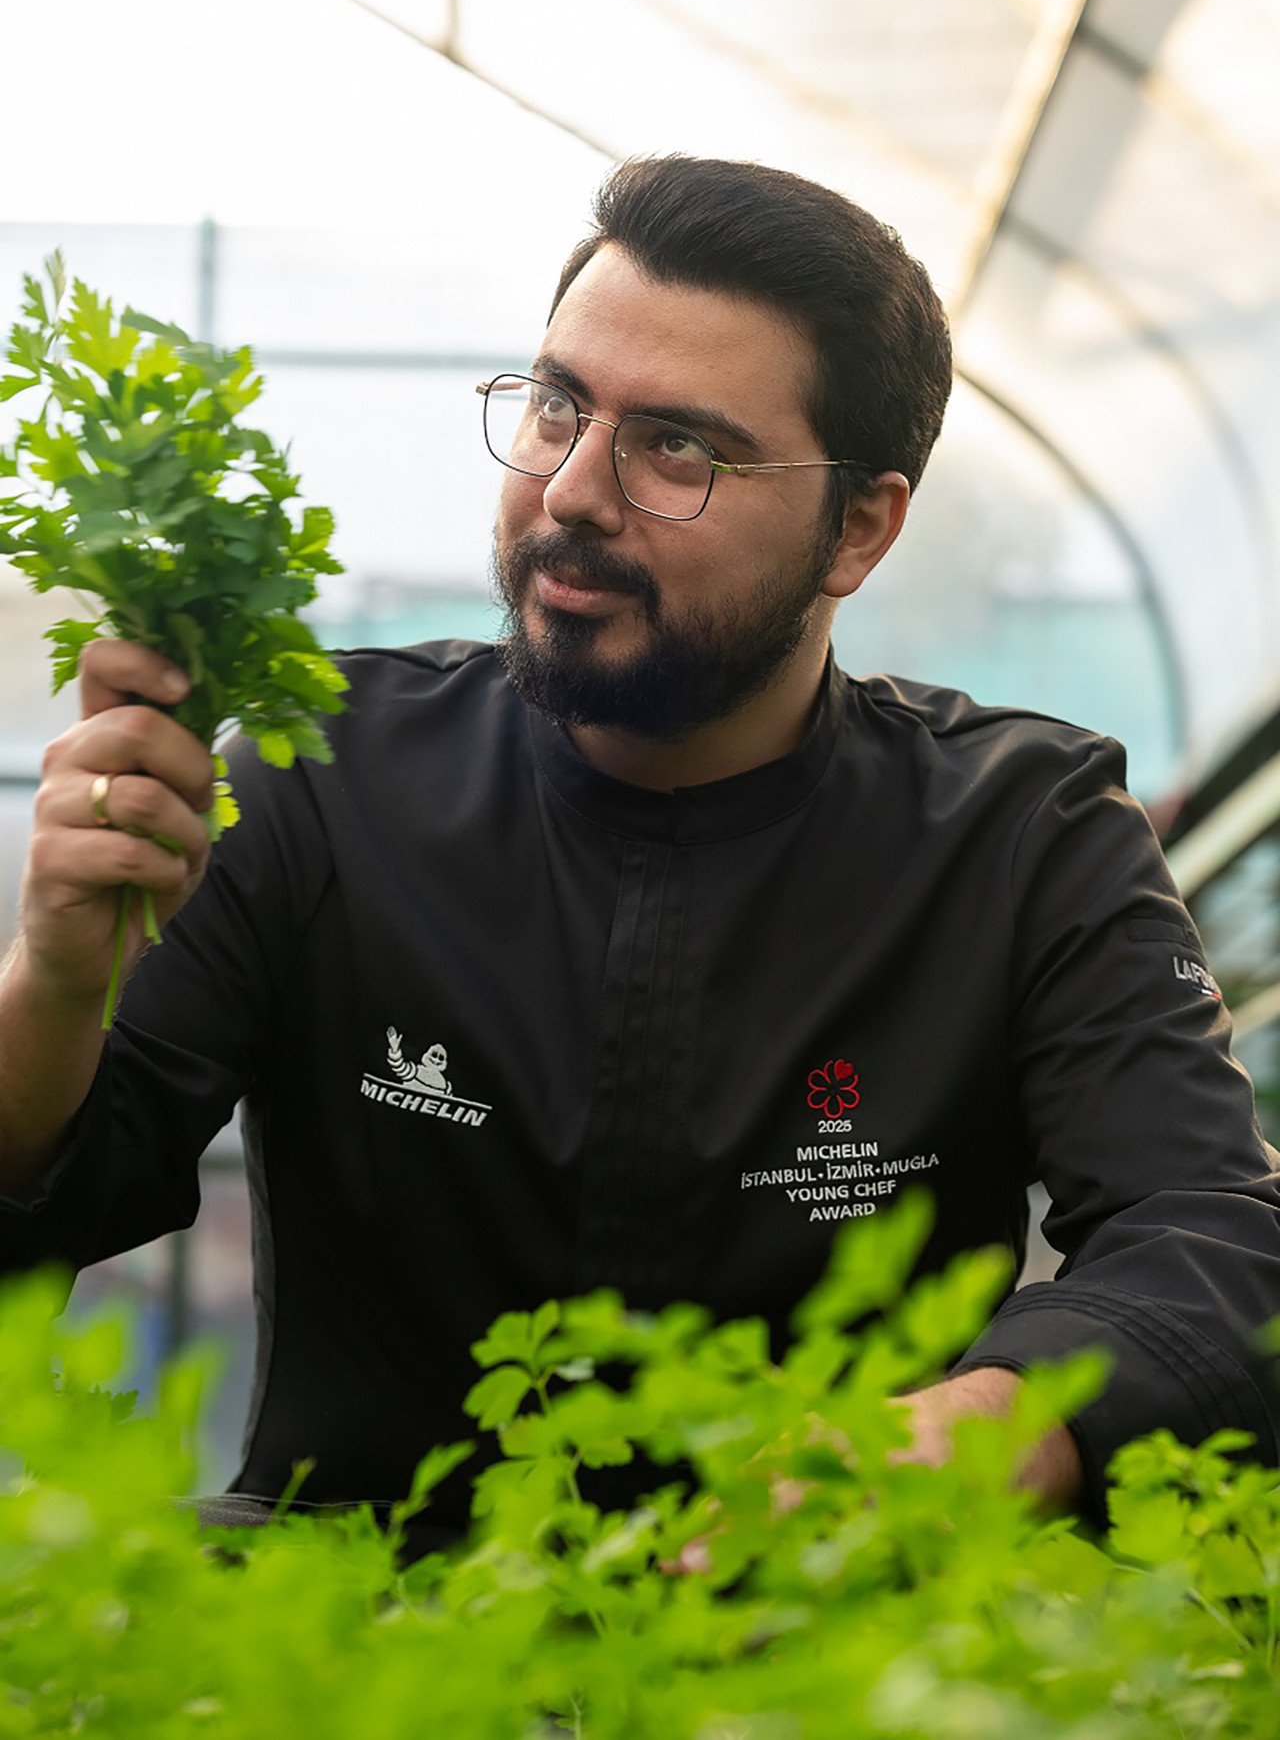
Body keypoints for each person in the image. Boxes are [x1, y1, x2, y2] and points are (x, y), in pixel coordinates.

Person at [0, 155, 1277, 1546]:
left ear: (859, 526)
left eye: (679, 447)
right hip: (355, 1650)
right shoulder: (325, 775)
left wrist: (969, 1433)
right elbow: (54, 1197)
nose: (573, 494)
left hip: (823, 1657)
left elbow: (1217, 1240)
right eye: (557, 407)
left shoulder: (1020, 835)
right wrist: (57, 982)